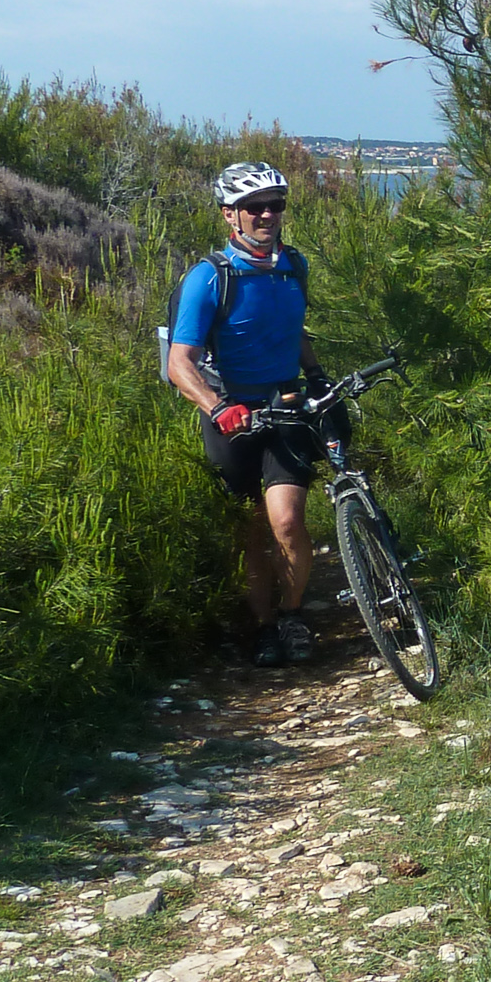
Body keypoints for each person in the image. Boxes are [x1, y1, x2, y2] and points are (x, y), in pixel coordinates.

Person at [167, 161, 327, 667]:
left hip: (285, 404)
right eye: (253, 207)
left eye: (274, 205)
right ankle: (262, 628)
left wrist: (317, 374)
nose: (266, 214)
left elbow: (291, 330)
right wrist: (218, 407)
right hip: (231, 414)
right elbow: (179, 364)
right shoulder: (208, 277)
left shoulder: (293, 266)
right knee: (250, 530)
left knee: (287, 522)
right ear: (228, 215)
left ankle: (293, 616)